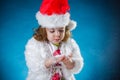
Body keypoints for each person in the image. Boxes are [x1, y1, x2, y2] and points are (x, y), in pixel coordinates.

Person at [24, 0, 84, 80]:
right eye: (52, 31)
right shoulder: (34, 44)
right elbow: (33, 66)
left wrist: (69, 63)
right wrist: (49, 62)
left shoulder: (70, 43)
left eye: (61, 30)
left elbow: (77, 66)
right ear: (44, 30)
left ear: (65, 29)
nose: (57, 34)